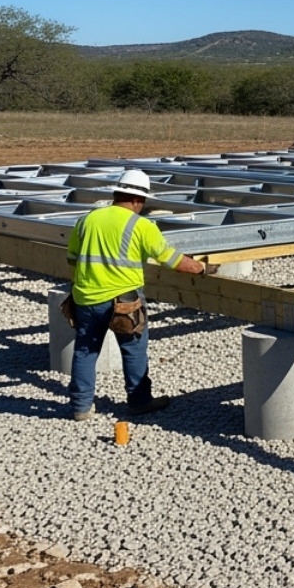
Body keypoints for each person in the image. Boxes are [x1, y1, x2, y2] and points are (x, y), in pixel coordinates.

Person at [66, 170, 208, 421]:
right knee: (133, 350)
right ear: (138, 200)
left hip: (86, 298)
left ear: (116, 193)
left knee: (85, 352)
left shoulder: (86, 220)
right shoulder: (141, 225)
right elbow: (172, 260)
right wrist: (200, 267)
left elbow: (72, 259)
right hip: (124, 301)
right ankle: (139, 401)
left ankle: (81, 407)